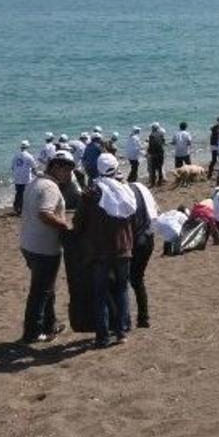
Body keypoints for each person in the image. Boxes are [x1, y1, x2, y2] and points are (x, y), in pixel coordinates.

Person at [73, 153, 136, 348]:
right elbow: (132, 219)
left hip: (100, 251)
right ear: (116, 168)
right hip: (123, 248)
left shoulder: (91, 193)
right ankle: (121, 332)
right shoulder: (125, 191)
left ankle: (102, 336)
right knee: (122, 289)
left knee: (100, 294)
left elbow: (79, 223)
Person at [18, 149, 75, 344]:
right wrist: (65, 226)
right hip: (44, 247)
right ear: (55, 166)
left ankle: (50, 324)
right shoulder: (50, 187)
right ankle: (32, 332)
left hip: (28, 243)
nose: (69, 173)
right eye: (67, 169)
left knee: (46, 287)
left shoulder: (34, 182)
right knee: (41, 290)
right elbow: (45, 213)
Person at [127, 178, 159, 329]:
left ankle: (125, 320)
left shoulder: (123, 194)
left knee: (123, 281)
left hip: (135, 241)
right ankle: (143, 318)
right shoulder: (142, 189)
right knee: (138, 280)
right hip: (147, 239)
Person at [11, 140, 37, 214]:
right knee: (25, 194)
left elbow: (12, 167)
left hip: (17, 177)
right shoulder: (29, 156)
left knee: (18, 192)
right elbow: (34, 167)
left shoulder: (15, 155)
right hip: (25, 178)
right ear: (28, 147)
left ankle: (16, 207)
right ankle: (21, 209)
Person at [147, 122, 166, 187]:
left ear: (153, 128)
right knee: (160, 167)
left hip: (154, 154)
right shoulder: (161, 134)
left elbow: (151, 146)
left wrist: (148, 153)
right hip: (161, 152)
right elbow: (163, 142)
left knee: (153, 168)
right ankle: (160, 181)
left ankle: (153, 183)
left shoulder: (151, 135)